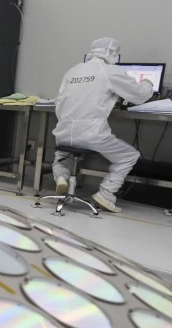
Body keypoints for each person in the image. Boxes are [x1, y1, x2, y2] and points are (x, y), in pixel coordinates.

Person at [51, 38, 154, 213]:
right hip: (91, 133)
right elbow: (138, 95)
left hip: (63, 130)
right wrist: (147, 84)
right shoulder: (110, 71)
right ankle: (106, 194)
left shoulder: (73, 71)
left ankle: (61, 176)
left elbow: (59, 102)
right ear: (112, 53)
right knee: (129, 156)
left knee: (63, 153)